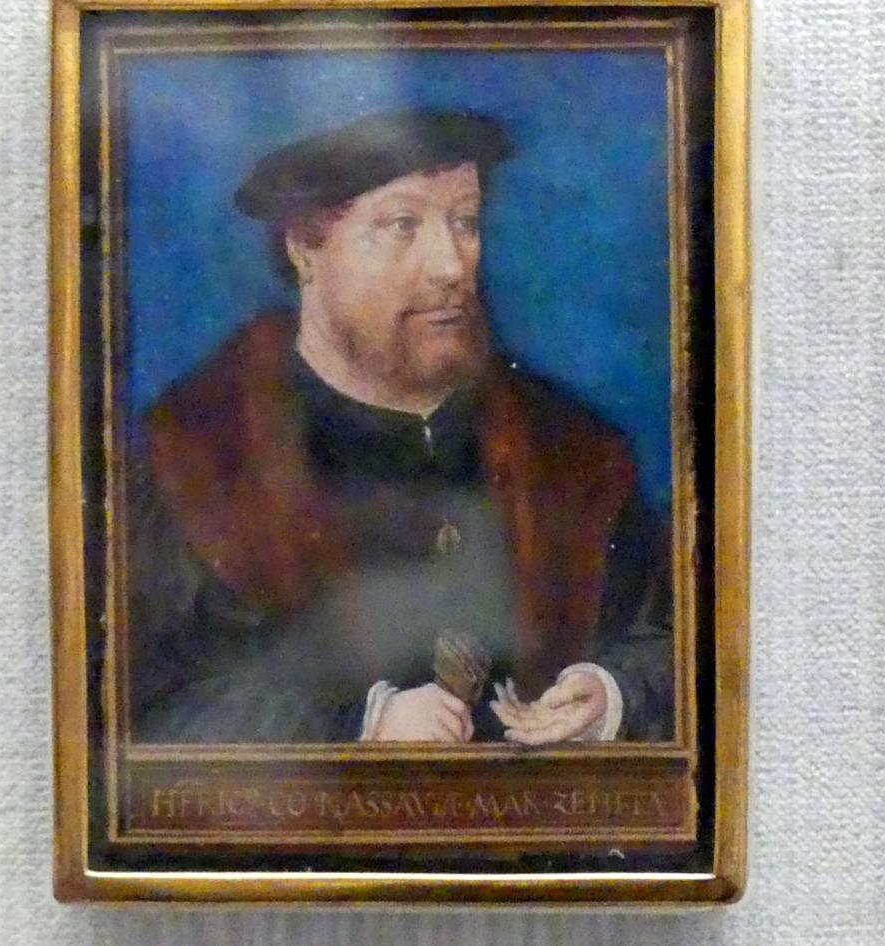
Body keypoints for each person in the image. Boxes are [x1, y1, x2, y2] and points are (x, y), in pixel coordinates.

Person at [125, 108, 673, 746]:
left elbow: (672, 644)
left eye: (465, 222)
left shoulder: (573, 451)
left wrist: (609, 696)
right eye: (402, 225)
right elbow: (141, 710)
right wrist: (360, 725)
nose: (451, 266)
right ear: (304, 249)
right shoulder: (194, 457)